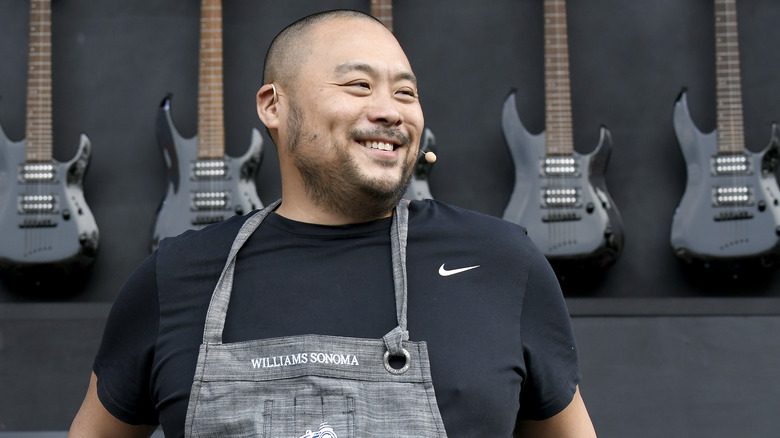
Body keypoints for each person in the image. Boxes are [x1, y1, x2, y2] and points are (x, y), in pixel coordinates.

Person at [69, 9, 596, 438]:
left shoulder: (502, 261)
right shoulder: (177, 274)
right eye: (359, 85)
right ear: (274, 105)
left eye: (406, 93)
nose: (390, 110)